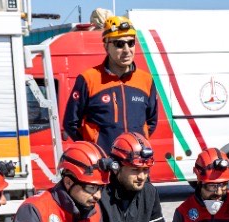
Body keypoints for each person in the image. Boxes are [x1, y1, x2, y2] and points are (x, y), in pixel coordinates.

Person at [62, 15, 161, 153]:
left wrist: (136, 145)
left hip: (136, 164)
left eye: (131, 43)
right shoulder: (88, 79)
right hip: (103, 163)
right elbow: (71, 123)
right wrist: (93, 149)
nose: (127, 49)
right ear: (106, 46)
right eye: (119, 44)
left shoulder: (146, 80)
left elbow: (151, 122)